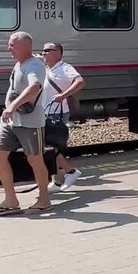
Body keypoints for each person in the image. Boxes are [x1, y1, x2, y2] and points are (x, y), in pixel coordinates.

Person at [0, 31, 52, 216]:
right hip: (12, 122)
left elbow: (35, 87)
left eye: (11, 44)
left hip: (30, 123)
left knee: (35, 159)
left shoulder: (34, 66)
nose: (8, 48)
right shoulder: (20, 64)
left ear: (24, 45)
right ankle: (11, 200)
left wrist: (13, 105)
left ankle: (44, 200)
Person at [41, 42, 85, 192]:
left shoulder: (65, 67)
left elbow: (80, 82)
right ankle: (58, 182)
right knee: (52, 147)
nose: (44, 53)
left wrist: (64, 95)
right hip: (45, 111)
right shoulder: (46, 67)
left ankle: (70, 173)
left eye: (48, 50)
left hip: (57, 112)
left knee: (51, 147)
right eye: (43, 50)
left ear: (58, 52)